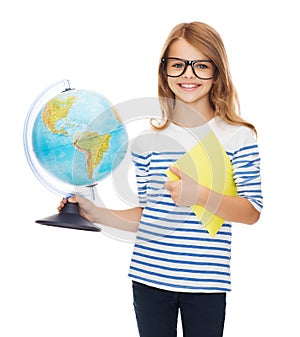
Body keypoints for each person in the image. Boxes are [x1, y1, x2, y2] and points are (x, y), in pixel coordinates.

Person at [58, 21, 263, 337]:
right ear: (164, 71)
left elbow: (251, 212)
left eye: (201, 66)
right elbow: (146, 216)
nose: (188, 75)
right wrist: (94, 213)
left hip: (206, 283)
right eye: (178, 65)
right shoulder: (147, 141)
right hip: (149, 279)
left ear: (217, 72)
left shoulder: (238, 136)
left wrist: (199, 195)